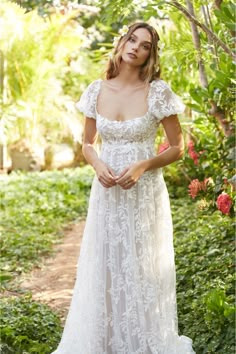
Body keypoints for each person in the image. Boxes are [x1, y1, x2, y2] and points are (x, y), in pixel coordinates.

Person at [52, 22, 195, 354]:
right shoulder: (96, 90)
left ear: (149, 55)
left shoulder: (157, 92)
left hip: (144, 194)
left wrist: (143, 165)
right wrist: (99, 164)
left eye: (144, 45)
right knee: (106, 262)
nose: (135, 47)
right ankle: (105, 339)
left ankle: (143, 339)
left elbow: (177, 146)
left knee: (142, 264)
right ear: (122, 42)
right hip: (106, 192)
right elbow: (88, 144)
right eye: (132, 39)